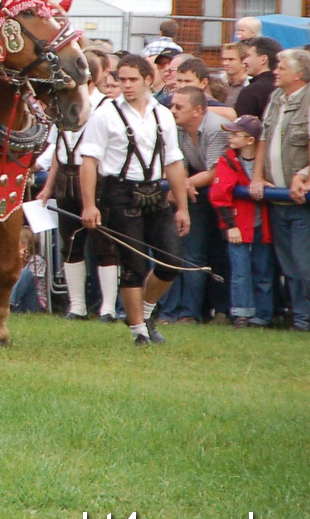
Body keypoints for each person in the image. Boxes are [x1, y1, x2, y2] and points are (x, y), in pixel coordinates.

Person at [77, 53, 192, 346]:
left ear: (148, 80)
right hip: (119, 193)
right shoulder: (105, 113)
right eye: (121, 80)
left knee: (171, 259)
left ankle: (145, 310)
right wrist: (89, 204)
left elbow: (174, 162)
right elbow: (88, 161)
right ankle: (139, 331)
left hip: (154, 192)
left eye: (132, 80)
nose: (126, 86)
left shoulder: (162, 114)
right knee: (133, 265)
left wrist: (182, 207)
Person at [38, 50, 120, 320]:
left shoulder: (106, 108)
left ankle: (107, 308)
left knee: (104, 243)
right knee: (70, 242)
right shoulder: (63, 106)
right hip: (65, 179)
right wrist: (48, 188)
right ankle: (77, 306)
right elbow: (57, 150)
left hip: (96, 179)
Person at [156, 87, 227, 324]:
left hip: (218, 195)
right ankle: (177, 311)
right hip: (194, 191)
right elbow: (180, 164)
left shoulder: (216, 129)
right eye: (172, 106)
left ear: (197, 110)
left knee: (199, 254)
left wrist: (182, 186)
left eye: (178, 107)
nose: (172, 110)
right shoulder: (178, 129)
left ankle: (191, 312)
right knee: (183, 252)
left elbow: (215, 171)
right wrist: (182, 185)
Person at [259, 48, 310, 332]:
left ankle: (305, 318)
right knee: (289, 266)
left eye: (281, 67)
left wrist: (304, 175)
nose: (275, 71)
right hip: (277, 197)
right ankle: (301, 317)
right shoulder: (277, 98)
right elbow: (264, 139)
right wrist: (258, 177)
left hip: (301, 200)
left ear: (299, 74)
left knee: (305, 265)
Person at [208, 116, 273, 328]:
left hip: (262, 225)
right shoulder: (227, 160)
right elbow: (219, 196)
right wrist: (231, 225)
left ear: (250, 140)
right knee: (240, 270)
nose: (230, 137)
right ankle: (241, 313)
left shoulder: (266, 163)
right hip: (238, 224)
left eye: (236, 134)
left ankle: (264, 314)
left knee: (263, 270)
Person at [233, 37, 281, 120]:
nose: (244, 61)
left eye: (248, 56)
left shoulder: (250, 92)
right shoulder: (286, 87)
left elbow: (242, 130)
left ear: (263, 59)